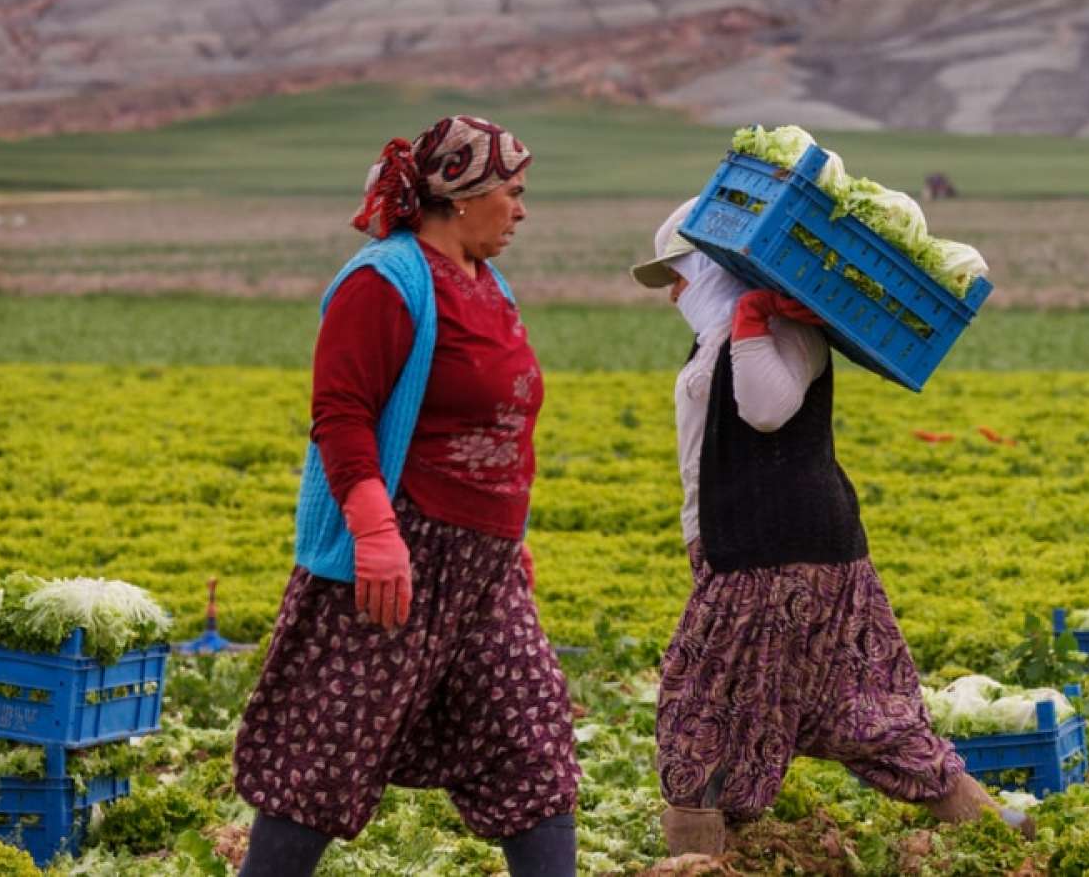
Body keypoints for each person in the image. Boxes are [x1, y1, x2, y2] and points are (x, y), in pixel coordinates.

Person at [629, 200, 1029, 856]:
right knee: (857, 702)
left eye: (677, 273)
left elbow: (764, 409)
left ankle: (695, 859)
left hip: (771, 552)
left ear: (707, 267)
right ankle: (991, 826)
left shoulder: (772, 327)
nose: (672, 292)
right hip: (806, 545)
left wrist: (753, 317)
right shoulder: (729, 333)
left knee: (698, 701)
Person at [233, 115, 578, 876]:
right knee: (323, 751)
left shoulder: (488, 282)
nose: (521, 210)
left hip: (482, 572)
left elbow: (495, 423)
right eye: (512, 193)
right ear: (462, 195)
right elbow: (342, 413)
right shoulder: (384, 280)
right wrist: (376, 536)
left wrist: (507, 543)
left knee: (534, 742)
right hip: (397, 560)